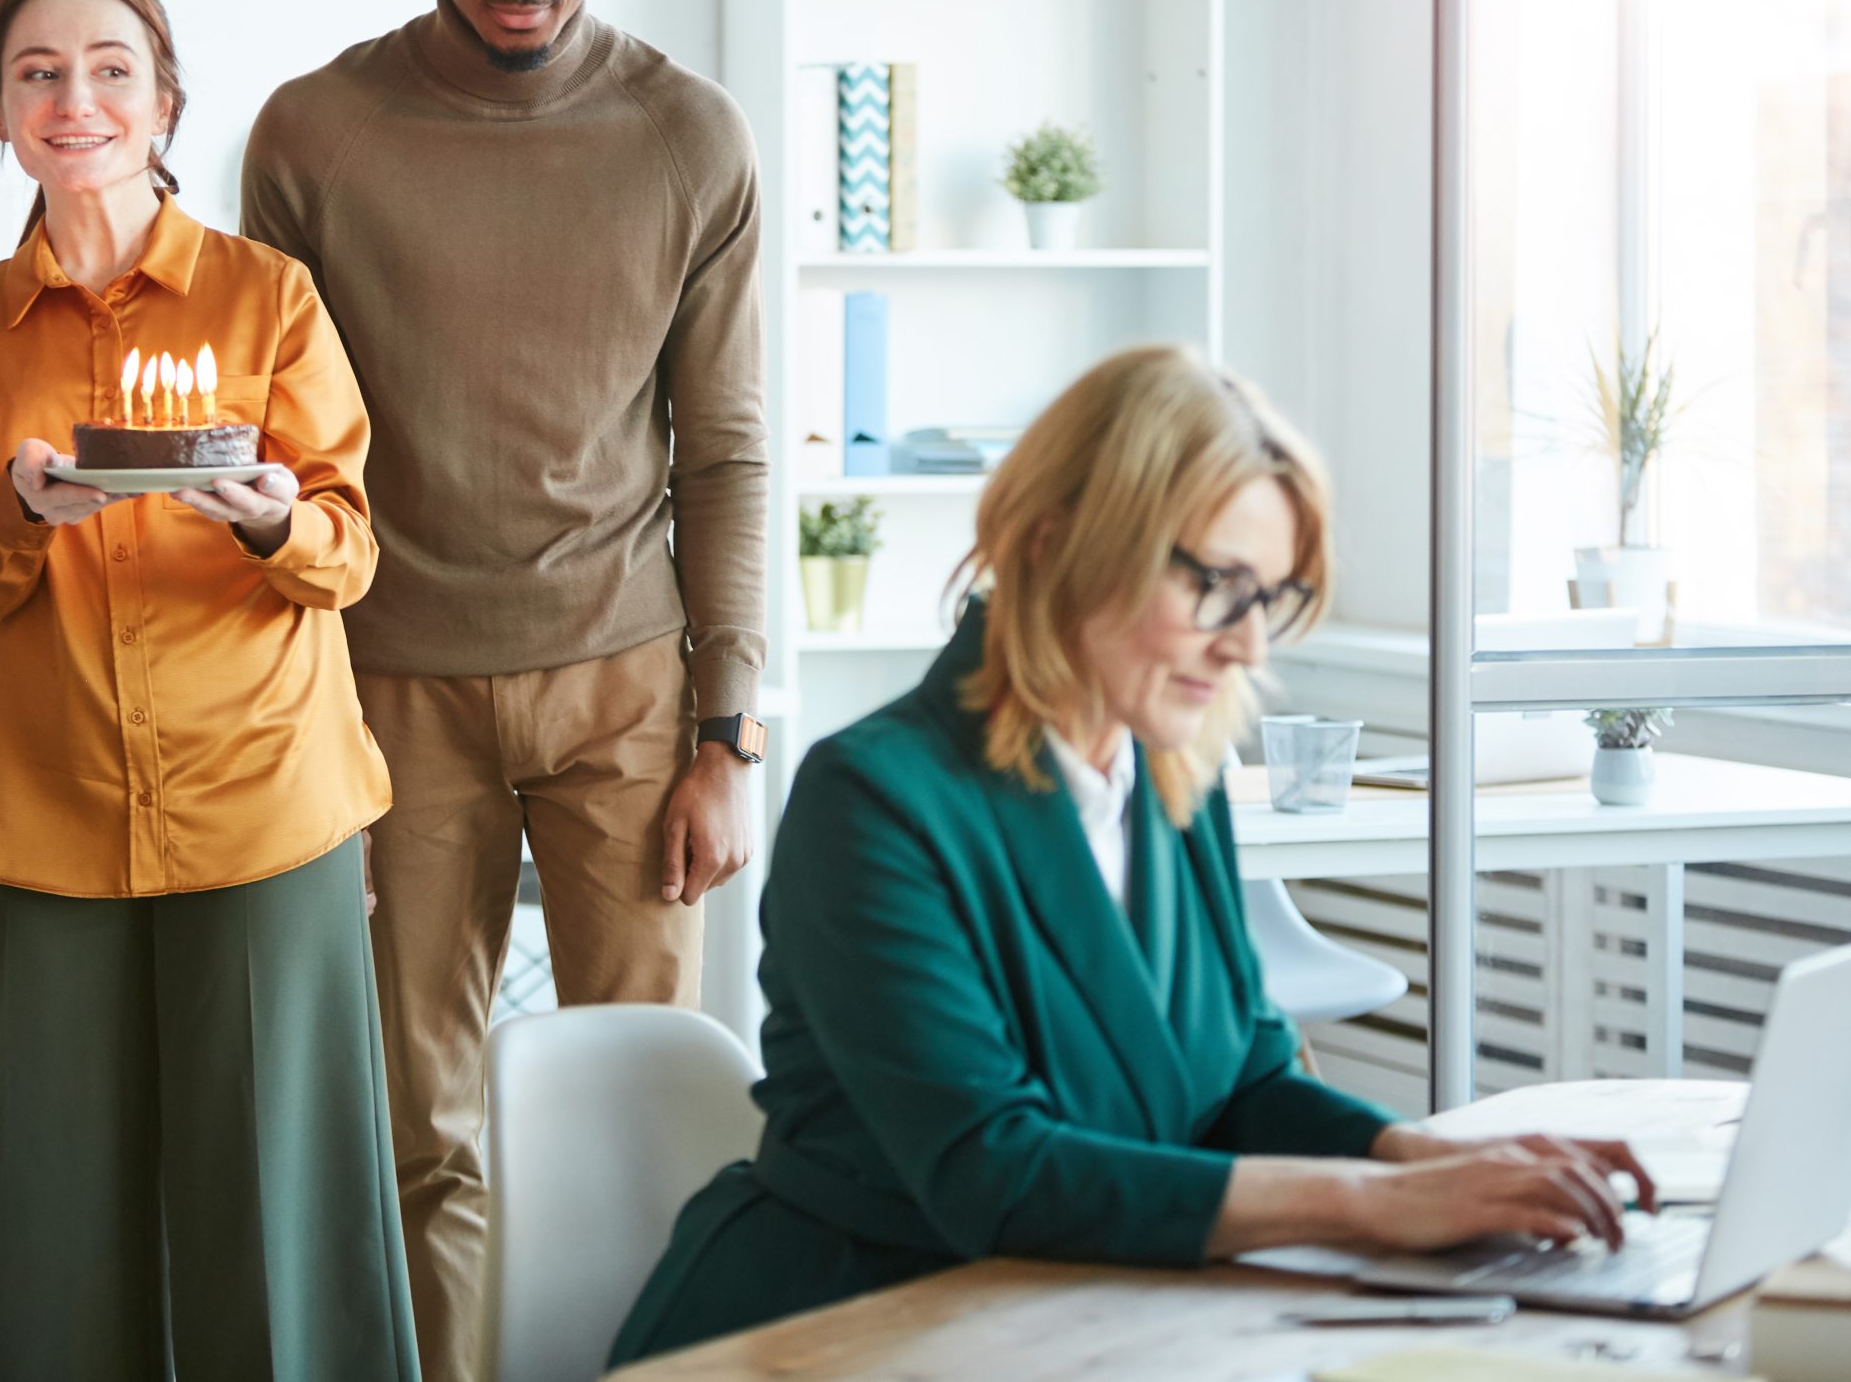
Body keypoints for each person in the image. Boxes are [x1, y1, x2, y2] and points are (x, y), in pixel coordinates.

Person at [611, 345, 1657, 1361]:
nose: (1247, 644)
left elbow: (1243, 1079)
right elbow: (996, 1173)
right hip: (852, 1325)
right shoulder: (875, 798)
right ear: (1058, 544)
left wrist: (1430, 1157)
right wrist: (1380, 1203)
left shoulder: (1168, 775)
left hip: (1084, 1311)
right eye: (1218, 585)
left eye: (1269, 598)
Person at [239, 0, 767, 1379]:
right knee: (425, 1126)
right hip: (388, 690)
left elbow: (727, 450)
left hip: (627, 684)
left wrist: (725, 734)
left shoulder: (687, 133)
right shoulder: (317, 131)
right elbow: (281, 449)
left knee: (648, 1106)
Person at [0, 0, 416, 1382]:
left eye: (111, 68)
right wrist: (21, 510)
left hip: (265, 802)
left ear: (167, 96)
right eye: (38, 72)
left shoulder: (269, 298)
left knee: (279, 1213)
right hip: (52, 810)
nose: (77, 99)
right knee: (54, 1222)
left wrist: (272, 517)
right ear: (2, 108)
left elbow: (348, 545)